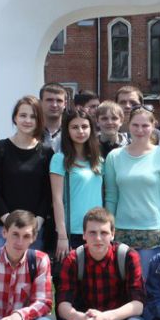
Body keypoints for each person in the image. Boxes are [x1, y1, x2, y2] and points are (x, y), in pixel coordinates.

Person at [103, 105, 160, 320]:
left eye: (146, 125)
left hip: (153, 234)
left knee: (143, 292)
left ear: (153, 126)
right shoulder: (115, 157)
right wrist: (109, 233)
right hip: (122, 233)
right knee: (121, 291)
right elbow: (111, 196)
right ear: (128, 126)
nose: (140, 130)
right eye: (135, 125)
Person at [54, 207, 146, 320]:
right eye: (92, 233)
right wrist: (80, 318)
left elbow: (138, 304)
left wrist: (106, 317)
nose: (98, 238)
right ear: (84, 235)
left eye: (103, 233)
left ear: (112, 234)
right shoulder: (73, 258)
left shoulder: (128, 256)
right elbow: (62, 304)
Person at [0, 95, 54, 250]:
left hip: (33, 230)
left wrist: (37, 223)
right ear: (15, 118)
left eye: (33, 117)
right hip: (2, 229)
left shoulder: (46, 153)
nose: (27, 120)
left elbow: (47, 194)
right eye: (23, 115)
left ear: (39, 121)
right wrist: (10, 223)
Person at [51, 109, 104, 258]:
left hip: (97, 229)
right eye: (75, 127)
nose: (80, 131)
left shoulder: (99, 161)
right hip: (72, 231)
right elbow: (57, 199)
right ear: (67, 131)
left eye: (84, 126)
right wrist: (62, 235)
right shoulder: (60, 159)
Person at [40, 82, 68, 148]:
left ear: (65, 104)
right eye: (49, 100)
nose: (54, 105)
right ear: (40, 103)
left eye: (59, 101)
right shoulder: (30, 132)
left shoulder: (72, 132)